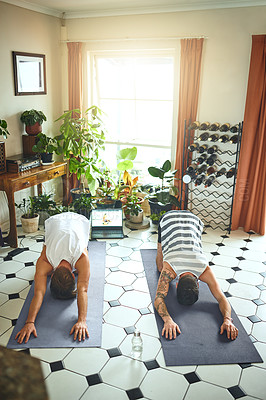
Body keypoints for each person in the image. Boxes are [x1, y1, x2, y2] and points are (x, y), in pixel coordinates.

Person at [154, 209, 238, 341]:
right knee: (159, 265)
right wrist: (167, 320)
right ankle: (160, 247)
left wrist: (228, 320)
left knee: (162, 267)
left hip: (193, 220)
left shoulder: (204, 269)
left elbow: (159, 298)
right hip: (170, 219)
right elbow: (222, 298)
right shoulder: (172, 268)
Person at [15, 212, 91, 344]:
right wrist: (81, 321)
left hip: (76, 220)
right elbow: (82, 289)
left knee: (81, 246)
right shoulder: (49, 260)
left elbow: (39, 293)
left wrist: (82, 321)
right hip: (57, 221)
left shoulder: (48, 260)